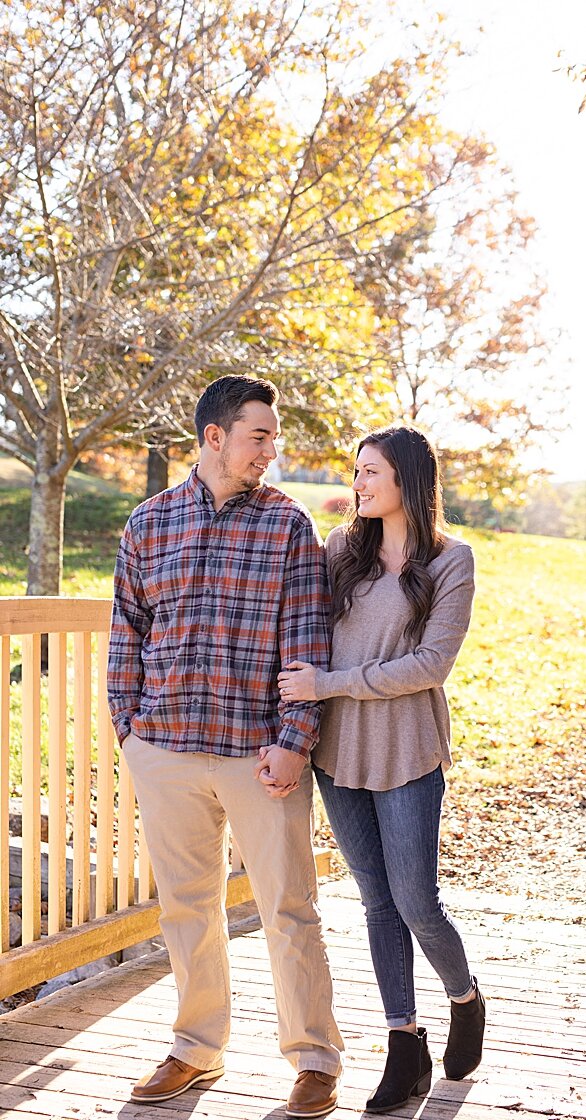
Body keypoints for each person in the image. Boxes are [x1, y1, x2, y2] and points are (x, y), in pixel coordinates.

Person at [108, 375, 343, 1118]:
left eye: (272, 438)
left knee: (289, 909)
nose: (270, 451)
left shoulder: (288, 525)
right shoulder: (148, 524)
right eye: (259, 437)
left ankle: (313, 1059)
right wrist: (130, 730)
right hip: (166, 749)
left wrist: (295, 741)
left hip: (257, 754)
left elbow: (308, 640)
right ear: (215, 437)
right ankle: (195, 1047)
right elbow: (128, 635)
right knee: (185, 908)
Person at [276, 426, 485, 1114]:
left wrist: (330, 684)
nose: (358, 483)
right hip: (340, 753)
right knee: (374, 902)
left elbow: (430, 666)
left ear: (407, 481)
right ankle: (405, 1045)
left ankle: (465, 998)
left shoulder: (453, 560)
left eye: (371, 473)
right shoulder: (343, 550)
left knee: (416, 901)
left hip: (406, 751)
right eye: (357, 471)